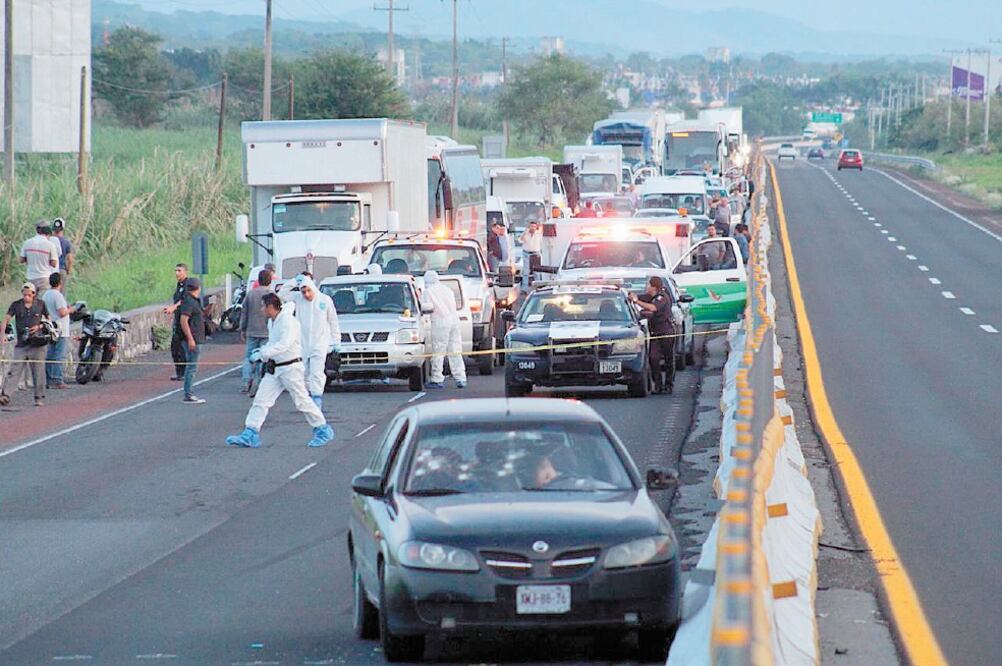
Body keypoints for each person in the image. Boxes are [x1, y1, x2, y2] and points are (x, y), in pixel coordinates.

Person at [225, 293, 334, 448]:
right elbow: (273, 343)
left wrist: (263, 353)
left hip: (291, 368)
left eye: (263, 306)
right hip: (275, 368)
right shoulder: (273, 322)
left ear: (271, 306)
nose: (262, 309)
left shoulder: (288, 322)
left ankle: (322, 429)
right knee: (261, 401)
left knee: (302, 401)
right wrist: (263, 353)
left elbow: (284, 344)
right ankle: (251, 432)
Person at [279, 273, 340, 410]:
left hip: (320, 342)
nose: (306, 294)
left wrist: (336, 341)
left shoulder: (325, 300)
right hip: (302, 343)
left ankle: (317, 397)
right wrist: (293, 281)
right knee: (303, 372)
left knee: (317, 372)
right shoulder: (298, 299)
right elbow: (281, 295)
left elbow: (333, 321)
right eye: (303, 291)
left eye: (308, 291)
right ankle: (306, 400)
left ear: (313, 288)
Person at [2, 282, 50, 406]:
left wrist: (39, 326)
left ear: (33, 294)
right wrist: (2, 334)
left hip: (37, 344)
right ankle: (6, 395)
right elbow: (6, 319)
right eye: (24, 295)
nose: (26, 297)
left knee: (38, 372)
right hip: (22, 344)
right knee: (15, 370)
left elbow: (49, 321)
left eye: (29, 295)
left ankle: (39, 397)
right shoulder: (16, 305)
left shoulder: (40, 304)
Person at [421, 270, 467, 389]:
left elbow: (425, 307)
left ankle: (437, 378)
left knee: (438, 350)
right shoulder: (447, 290)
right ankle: (460, 378)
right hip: (454, 320)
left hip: (440, 321)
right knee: (455, 349)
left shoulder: (428, 291)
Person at [631, 276, 675, 394]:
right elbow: (641, 297)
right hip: (655, 333)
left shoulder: (662, 297)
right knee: (653, 358)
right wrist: (630, 295)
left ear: (654, 287)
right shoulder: (651, 296)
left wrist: (637, 302)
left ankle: (669, 385)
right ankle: (658, 385)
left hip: (666, 333)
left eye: (648, 285)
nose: (646, 287)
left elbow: (653, 307)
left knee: (668, 360)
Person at [42, 272, 78, 390]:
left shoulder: (46, 295)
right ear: (60, 283)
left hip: (50, 329)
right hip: (61, 329)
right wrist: (70, 310)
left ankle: (49, 379)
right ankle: (57, 380)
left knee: (50, 354)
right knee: (59, 355)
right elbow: (62, 312)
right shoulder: (58, 296)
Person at [240, 268, 273, 393]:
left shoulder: (251, 294)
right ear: (270, 281)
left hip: (251, 330)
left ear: (258, 280)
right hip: (266, 331)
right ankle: (259, 382)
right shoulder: (271, 295)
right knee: (263, 358)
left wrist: (242, 328)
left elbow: (244, 312)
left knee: (249, 357)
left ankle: (246, 381)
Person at [177, 278, 206, 404]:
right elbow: (184, 320)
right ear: (198, 288)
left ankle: (189, 393)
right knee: (192, 367)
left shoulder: (193, 301)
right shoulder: (189, 302)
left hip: (196, 337)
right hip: (193, 338)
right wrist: (190, 339)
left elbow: (201, 315)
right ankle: (188, 394)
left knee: (192, 366)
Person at [163, 263, 189, 381]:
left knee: (182, 348)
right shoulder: (179, 285)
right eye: (175, 270)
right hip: (177, 319)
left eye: (179, 270)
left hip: (185, 320)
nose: (177, 273)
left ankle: (184, 372)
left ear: (185, 272)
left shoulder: (188, 285)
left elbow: (184, 300)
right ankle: (179, 372)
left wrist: (174, 307)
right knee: (175, 347)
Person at [20, 222, 59, 295]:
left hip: (30, 277)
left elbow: (21, 260)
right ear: (48, 232)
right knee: (42, 303)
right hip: (44, 278)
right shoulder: (50, 245)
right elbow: (54, 264)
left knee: (31, 302)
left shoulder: (27, 243)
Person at [518, 220, 542, 290]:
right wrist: (524, 233)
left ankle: (538, 287)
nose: (533, 228)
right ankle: (524, 288)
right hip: (526, 253)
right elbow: (519, 240)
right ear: (529, 227)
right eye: (531, 226)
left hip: (535, 253)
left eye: (534, 226)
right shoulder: (526, 233)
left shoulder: (539, 234)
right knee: (526, 271)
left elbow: (542, 242)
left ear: (536, 227)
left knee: (536, 272)